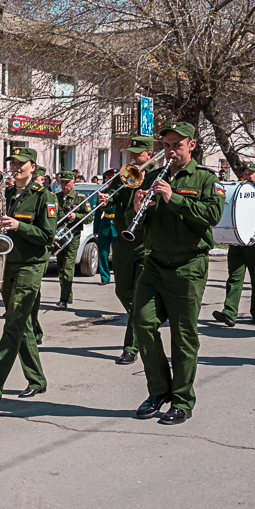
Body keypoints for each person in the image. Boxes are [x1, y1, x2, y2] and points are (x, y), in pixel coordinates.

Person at [131, 121, 224, 424]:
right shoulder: (156, 176)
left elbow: (211, 216)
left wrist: (174, 198)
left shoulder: (207, 179)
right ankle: (159, 390)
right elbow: (150, 225)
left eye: (177, 145)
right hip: (155, 263)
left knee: (183, 337)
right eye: (167, 145)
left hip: (188, 266)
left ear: (191, 145)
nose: (171, 151)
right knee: (142, 323)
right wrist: (138, 210)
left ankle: (182, 400)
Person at [0, 147, 56, 409]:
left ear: (33, 166)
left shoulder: (46, 197)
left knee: (13, 326)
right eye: (13, 162)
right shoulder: (6, 194)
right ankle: (37, 379)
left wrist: (19, 225)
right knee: (22, 326)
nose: (16, 167)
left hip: (30, 266)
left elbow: (48, 236)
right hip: (8, 263)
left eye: (21, 163)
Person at [99, 137, 155, 365]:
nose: (133, 157)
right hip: (122, 241)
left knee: (139, 294)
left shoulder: (155, 177)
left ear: (149, 154)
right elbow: (114, 202)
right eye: (131, 153)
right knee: (123, 292)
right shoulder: (125, 175)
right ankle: (145, 320)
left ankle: (131, 347)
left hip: (144, 243)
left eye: (138, 153)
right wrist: (105, 201)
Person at [213, 163, 255, 327]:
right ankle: (229, 313)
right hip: (237, 242)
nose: (247, 175)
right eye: (245, 172)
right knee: (234, 278)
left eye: (252, 173)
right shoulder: (238, 190)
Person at [54, 170, 91, 309]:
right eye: (62, 182)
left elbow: (90, 217)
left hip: (73, 237)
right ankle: (67, 296)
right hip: (59, 237)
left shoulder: (80, 198)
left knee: (68, 267)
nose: (64, 185)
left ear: (73, 182)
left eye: (67, 183)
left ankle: (63, 299)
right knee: (61, 268)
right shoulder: (55, 198)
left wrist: (77, 217)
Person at [31, 165, 56, 345]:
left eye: (39, 179)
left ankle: (34, 333)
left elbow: (48, 229)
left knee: (32, 297)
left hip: (38, 251)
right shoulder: (15, 194)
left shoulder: (48, 196)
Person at [93, 168, 118, 286]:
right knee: (103, 253)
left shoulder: (119, 192)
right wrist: (96, 230)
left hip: (118, 224)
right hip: (105, 223)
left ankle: (119, 276)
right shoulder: (102, 193)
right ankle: (105, 277)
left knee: (118, 254)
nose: (109, 181)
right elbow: (98, 213)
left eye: (112, 178)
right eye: (108, 178)